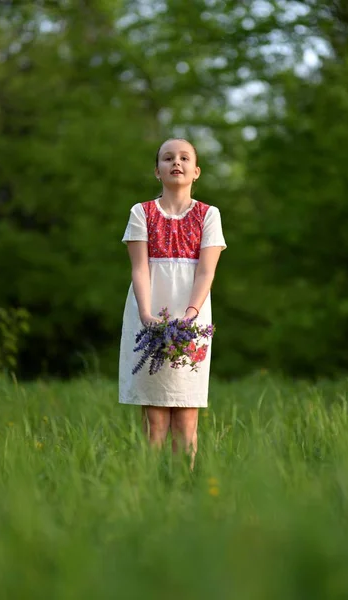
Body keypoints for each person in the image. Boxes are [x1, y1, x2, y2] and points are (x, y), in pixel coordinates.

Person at [119, 138, 226, 470]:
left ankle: (184, 486)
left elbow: (206, 271)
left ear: (196, 171)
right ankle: (147, 487)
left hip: (191, 318)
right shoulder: (142, 212)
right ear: (157, 170)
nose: (175, 163)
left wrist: (191, 316)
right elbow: (139, 267)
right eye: (168, 158)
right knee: (155, 419)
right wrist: (148, 315)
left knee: (185, 413)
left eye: (183, 158)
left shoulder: (209, 215)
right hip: (149, 316)